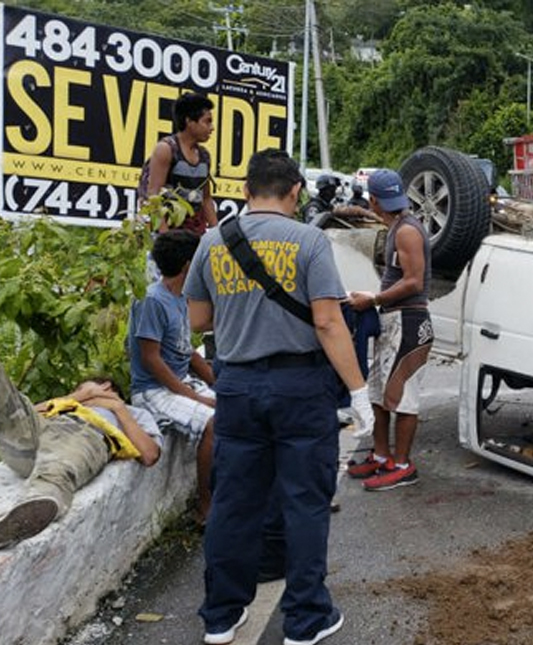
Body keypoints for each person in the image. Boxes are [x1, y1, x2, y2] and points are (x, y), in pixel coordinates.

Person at [184, 149, 371, 645]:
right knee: (304, 501)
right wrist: (358, 390)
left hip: (237, 387)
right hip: (300, 388)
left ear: (247, 191)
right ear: (295, 192)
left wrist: (242, 314)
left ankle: (221, 616)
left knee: (233, 502)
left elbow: (198, 320)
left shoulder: (213, 242)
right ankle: (306, 620)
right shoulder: (309, 240)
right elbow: (328, 322)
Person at [0, 367, 162, 550]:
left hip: (83, 434)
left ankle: (26, 513)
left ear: (106, 387)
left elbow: (150, 455)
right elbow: (25, 412)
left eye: (82, 389)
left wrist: (118, 407)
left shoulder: (134, 413)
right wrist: (78, 396)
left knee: (56, 471)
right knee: (9, 402)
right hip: (36, 434)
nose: (80, 394)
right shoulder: (65, 404)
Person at [345, 170, 434, 491]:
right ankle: (382, 455)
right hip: (393, 319)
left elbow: (413, 281)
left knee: (403, 397)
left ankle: (403, 464)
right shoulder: (397, 225)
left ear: (373, 200)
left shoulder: (407, 231)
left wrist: (373, 299)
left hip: (408, 321)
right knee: (378, 393)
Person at [128, 230, 216, 523]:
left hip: (179, 383)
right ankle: (204, 507)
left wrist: (216, 382)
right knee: (213, 423)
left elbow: (186, 350)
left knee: (238, 406)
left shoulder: (180, 298)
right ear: (189, 266)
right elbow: (150, 359)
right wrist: (196, 397)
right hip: (152, 390)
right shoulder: (152, 300)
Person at [144, 93, 217, 235]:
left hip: (195, 232)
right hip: (169, 230)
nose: (212, 128)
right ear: (189, 121)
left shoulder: (204, 156)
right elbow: (153, 194)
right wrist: (165, 237)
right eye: (207, 122)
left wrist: (217, 234)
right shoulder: (166, 149)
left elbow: (206, 198)